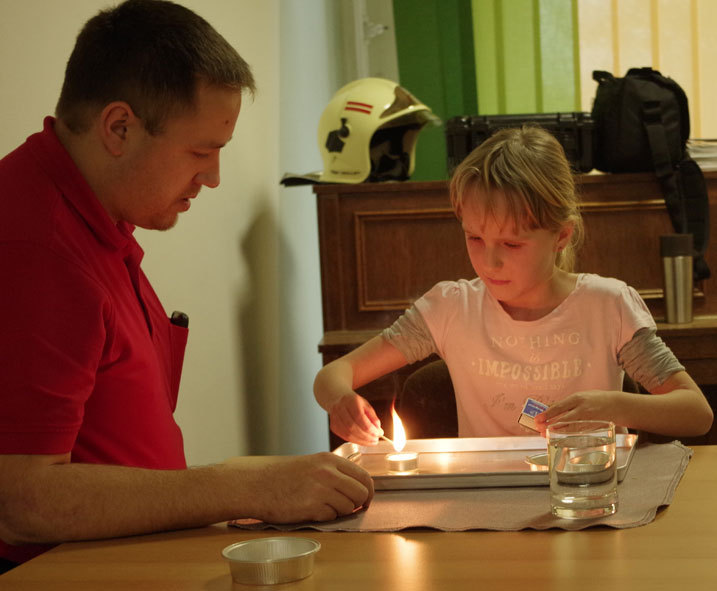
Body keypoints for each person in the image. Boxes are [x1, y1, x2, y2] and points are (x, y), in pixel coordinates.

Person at [0, 0, 372, 571]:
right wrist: (244, 487)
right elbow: (21, 501)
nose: (213, 177)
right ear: (119, 127)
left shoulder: (97, 221)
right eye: (201, 151)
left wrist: (260, 477)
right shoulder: (36, 247)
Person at [314, 126, 713, 447]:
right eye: (475, 238)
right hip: (486, 502)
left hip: (586, 494)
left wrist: (610, 406)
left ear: (561, 236)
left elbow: (696, 412)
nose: (489, 262)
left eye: (512, 244)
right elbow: (333, 375)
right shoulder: (450, 308)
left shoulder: (608, 307)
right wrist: (340, 400)